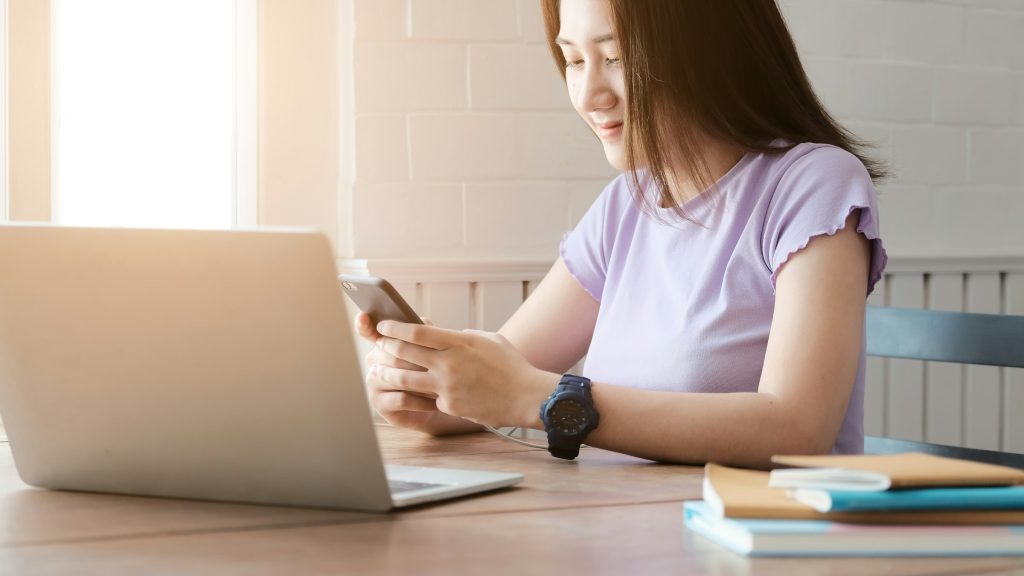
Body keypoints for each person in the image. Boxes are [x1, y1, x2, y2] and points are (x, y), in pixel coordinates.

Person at [355, 0, 887, 468]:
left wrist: (539, 397)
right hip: (621, 529)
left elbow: (797, 429)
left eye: (616, 57)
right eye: (574, 60)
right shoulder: (625, 204)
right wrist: (426, 387)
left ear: (710, 49)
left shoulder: (814, 183)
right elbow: (508, 378)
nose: (590, 95)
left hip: (758, 543)